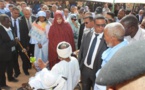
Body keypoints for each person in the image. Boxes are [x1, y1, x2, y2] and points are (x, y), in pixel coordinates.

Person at [94, 22, 128, 90]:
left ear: (113, 38)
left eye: (105, 35)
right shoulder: (118, 45)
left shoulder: (120, 57)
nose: (104, 38)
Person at [78, 15, 108, 90]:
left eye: (103, 25)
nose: (101, 28)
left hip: (97, 71)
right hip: (85, 69)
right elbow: (81, 51)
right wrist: (79, 67)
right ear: (94, 24)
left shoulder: (107, 38)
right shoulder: (86, 34)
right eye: (98, 25)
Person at [0, 14, 18, 89]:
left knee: (10, 66)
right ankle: (2, 84)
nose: (9, 23)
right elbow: (2, 44)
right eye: (7, 22)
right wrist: (14, 42)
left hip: (12, 51)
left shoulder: (10, 28)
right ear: (2, 22)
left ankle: (10, 78)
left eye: (10, 22)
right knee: (2, 70)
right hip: (3, 54)